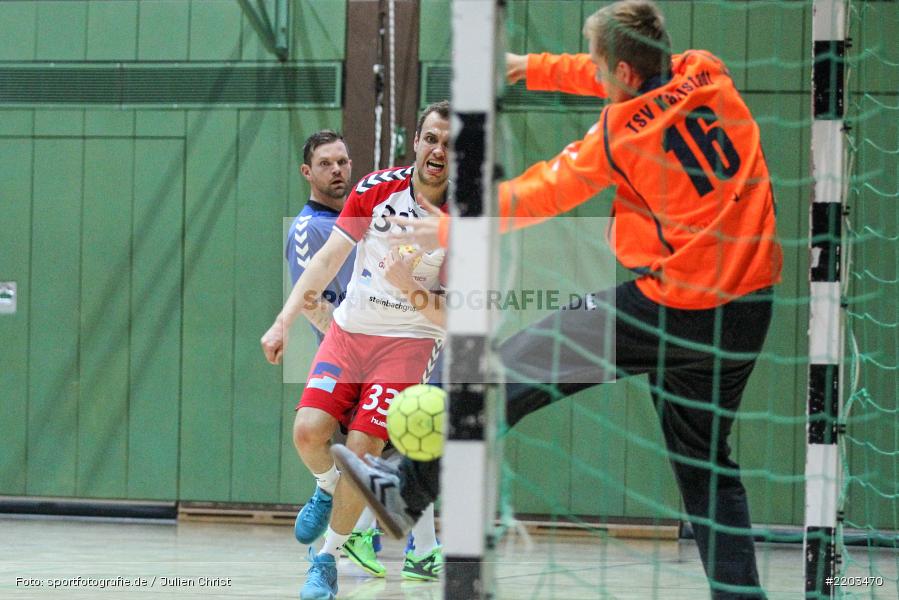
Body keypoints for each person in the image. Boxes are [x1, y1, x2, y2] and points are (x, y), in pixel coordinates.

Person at [332, 2, 782, 598]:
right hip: (749, 309)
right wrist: (530, 68)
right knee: (708, 471)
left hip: (675, 309)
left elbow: (539, 194)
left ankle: (404, 488)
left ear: (621, 70)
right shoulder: (708, 69)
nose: (591, 73)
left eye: (596, 65)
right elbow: (618, 69)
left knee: (505, 370)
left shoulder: (620, 136)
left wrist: (445, 228)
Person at [261, 101, 452, 600]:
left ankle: (326, 560)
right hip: (349, 333)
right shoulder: (375, 190)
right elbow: (328, 259)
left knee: (363, 451)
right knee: (309, 433)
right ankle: (326, 489)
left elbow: (457, 320)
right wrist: (282, 322)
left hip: (409, 344)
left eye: (450, 143)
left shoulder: (464, 218)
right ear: (416, 141)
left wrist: (411, 287)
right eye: (431, 138)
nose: (438, 150)